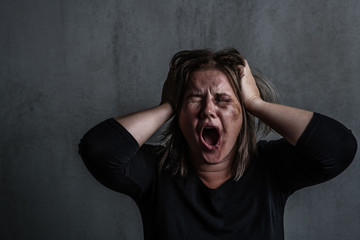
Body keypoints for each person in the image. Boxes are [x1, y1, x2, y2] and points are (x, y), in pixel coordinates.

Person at [79, 48, 357, 240]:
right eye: (195, 99)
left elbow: (338, 148)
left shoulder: (270, 167)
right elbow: (99, 149)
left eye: (223, 100)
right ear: (180, 115)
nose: (208, 110)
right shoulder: (155, 171)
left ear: (243, 117)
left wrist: (255, 103)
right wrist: (167, 105)